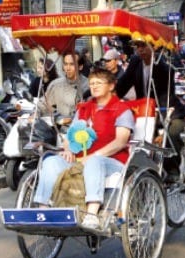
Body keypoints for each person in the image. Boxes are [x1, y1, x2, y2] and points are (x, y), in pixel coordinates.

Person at [33, 69, 135, 229]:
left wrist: (94, 156)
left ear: (111, 86)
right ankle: (43, 209)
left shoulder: (122, 110)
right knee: (51, 161)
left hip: (113, 162)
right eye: (92, 83)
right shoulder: (84, 109)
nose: (94, 86)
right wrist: (67, 149)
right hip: (80, 159)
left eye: (99, 83)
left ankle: (92, 214)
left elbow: (120, 141)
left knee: (95, 161)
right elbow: (70, 136)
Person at [116, 39, 185, 182]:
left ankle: (173, 171)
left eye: (143, 46)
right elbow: (123, 84)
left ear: (153, 47)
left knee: (170, 135)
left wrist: (156, 113)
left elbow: (166, 96)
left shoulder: (165, 69)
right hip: (144, 112)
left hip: (168, 111)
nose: (139, 50)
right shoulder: (135, 62)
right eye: (137, 47)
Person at [37, 52, 89, 117]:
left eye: (72, 64)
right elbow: (42, 104)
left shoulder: (89, 85)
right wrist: (36, 113)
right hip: (59, 125)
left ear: (80, 67)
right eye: (65, 64)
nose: (68, 68)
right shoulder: (56, 84)